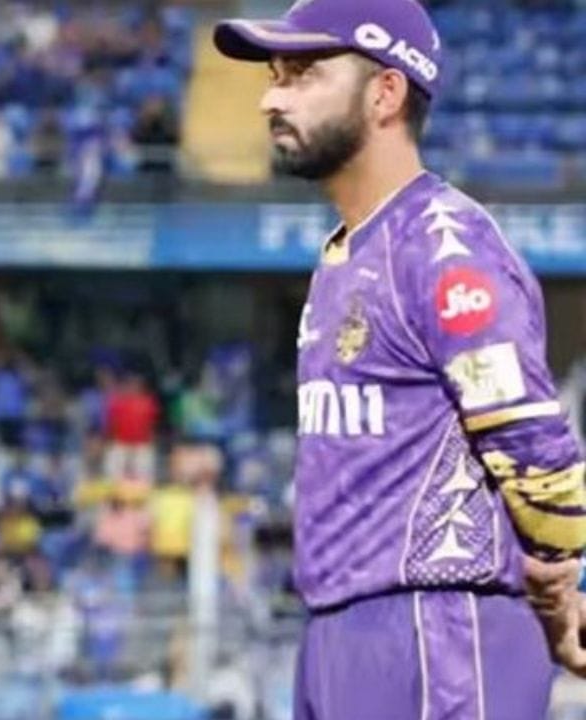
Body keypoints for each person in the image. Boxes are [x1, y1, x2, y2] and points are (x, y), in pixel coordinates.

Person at [213, 0, 586, 717]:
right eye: (274, 76)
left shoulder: (445, 246)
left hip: (436, 628)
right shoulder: (346, 252)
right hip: (340, 631)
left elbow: (535, 445)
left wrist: (556, 576)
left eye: (302, 74)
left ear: (385, 92)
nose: (271, 99)